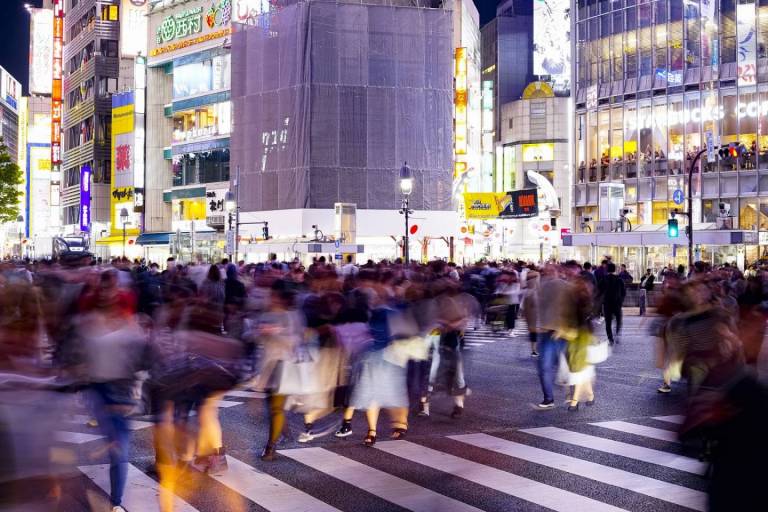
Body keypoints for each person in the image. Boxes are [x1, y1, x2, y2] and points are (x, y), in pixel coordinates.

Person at [600, 262, 626, 345]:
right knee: (618, 320)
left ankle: (610, 338)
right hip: (617, 303)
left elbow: (599, 290)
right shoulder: (619, 279)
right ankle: (617, 333)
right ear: (614, 269)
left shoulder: (604, 279)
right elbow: (623, 292)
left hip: (607, 303)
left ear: (607, 269)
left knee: (608, 322)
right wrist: (621, 300)